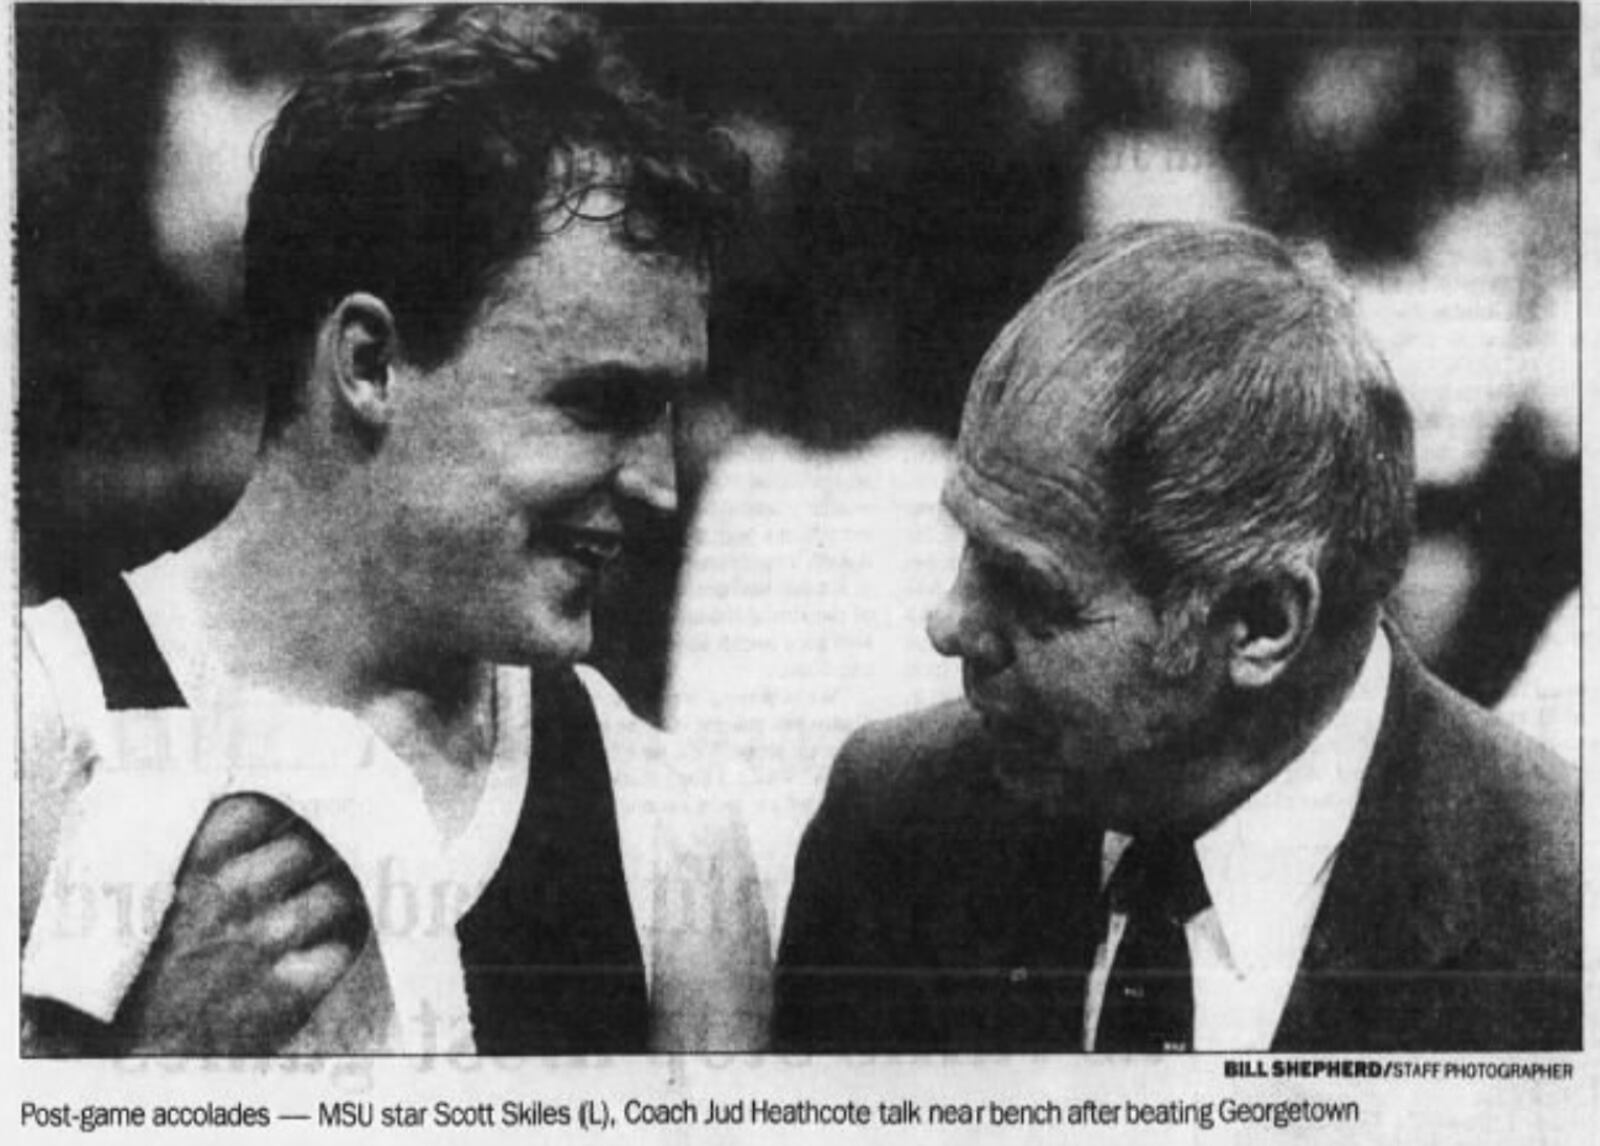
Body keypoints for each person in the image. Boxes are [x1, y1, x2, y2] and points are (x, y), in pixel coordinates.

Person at [22, 6, 767, 1055]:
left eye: (668, 415)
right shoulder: (37, 740)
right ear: (370, 365)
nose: (658, 487)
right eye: (600, 404)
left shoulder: (668, 831)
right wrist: (144, 1075)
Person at [774, 221, 1579, 1053]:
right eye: (968, 545)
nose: (947, 622)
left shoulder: (1557, 924)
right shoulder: (893, 831)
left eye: (1027, 585)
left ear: (1262, 625)